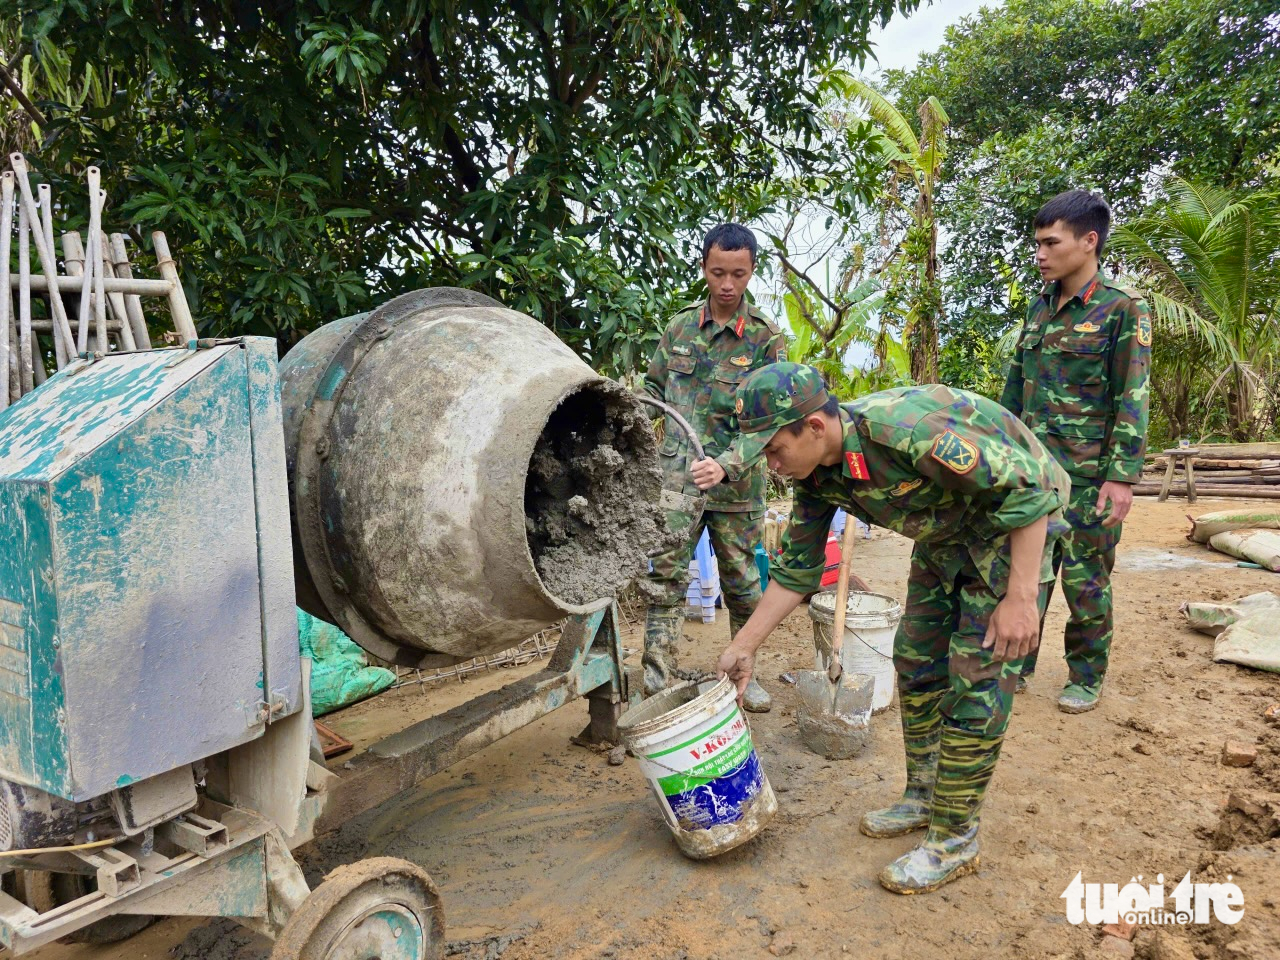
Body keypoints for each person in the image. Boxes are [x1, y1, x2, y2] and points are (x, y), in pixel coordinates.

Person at [715, 363, 1069, 894]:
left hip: (1012, 531)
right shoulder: (814, 476)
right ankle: (923, 796)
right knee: (916, 659)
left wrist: (1021, 598)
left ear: (813, 427)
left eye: (772, 449)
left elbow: (1028, 489)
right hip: (946, 536)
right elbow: (796, 571)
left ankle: (954, 839)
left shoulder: (907, 433)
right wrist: (744, 646)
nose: (771, 464)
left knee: (977, 680)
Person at [1000, 189, 1151, 714]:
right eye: (1037, 243)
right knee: (1027, 572)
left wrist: (1122, 478)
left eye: (1050, 243)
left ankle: (1086, 676)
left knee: (1086, 584)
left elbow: (1132, 398)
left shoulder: (1122, 310)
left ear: (1089, 242)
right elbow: (1014, 392)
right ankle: (1016, 665)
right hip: (1036, 475)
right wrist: (1005, 456)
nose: (1039, 254)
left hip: (1089, 478)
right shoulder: (1038, 309)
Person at [641, 223, 786, 712]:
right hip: (676, 484)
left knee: (744, 583)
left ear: (751, 273)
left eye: (739, 274)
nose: (728, 284)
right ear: (704, 268)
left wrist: (726, 465)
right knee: (664, 579)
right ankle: (655, 683)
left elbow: (773, 421)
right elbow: (653, 394)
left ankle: (747, 674)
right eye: (718, 272)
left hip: (736, 488)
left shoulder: (765, 340)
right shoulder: (679, 328)